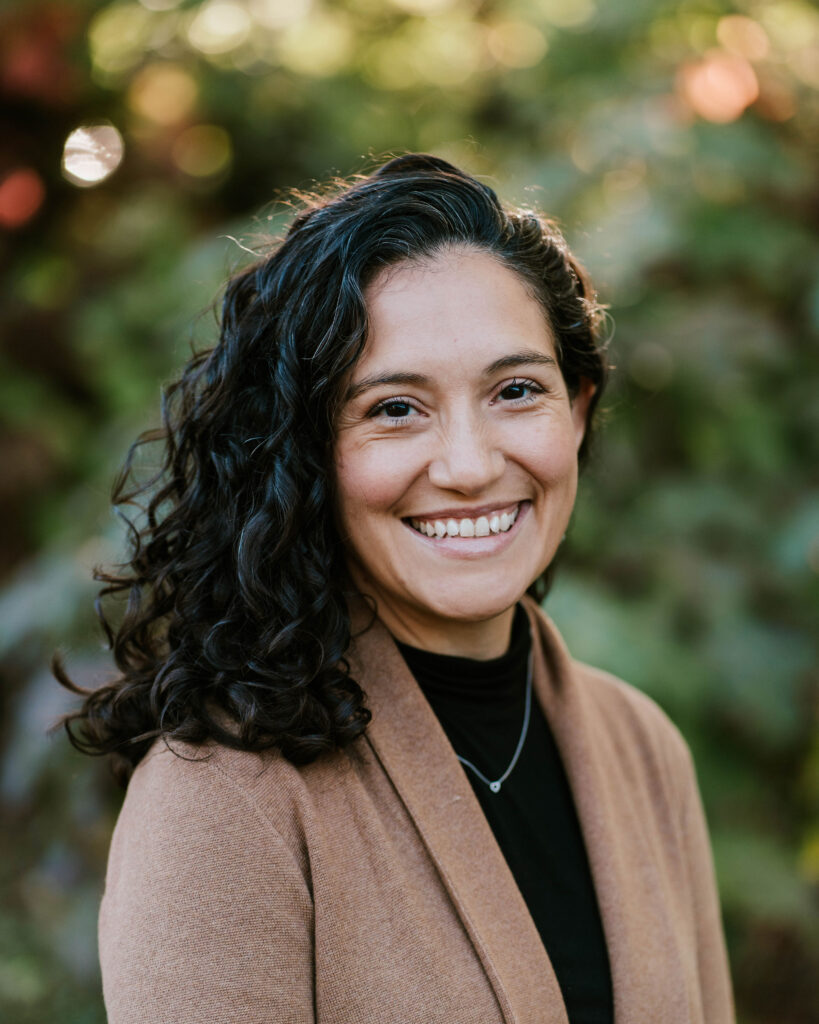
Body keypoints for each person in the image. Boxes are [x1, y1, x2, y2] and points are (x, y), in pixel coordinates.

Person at [57, 153, 735, 1024]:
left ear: (576, 411)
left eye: (516, 390)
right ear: (305, 453)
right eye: (394, 409)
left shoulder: (643, 748)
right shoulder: (223, 801)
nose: (468, 465)